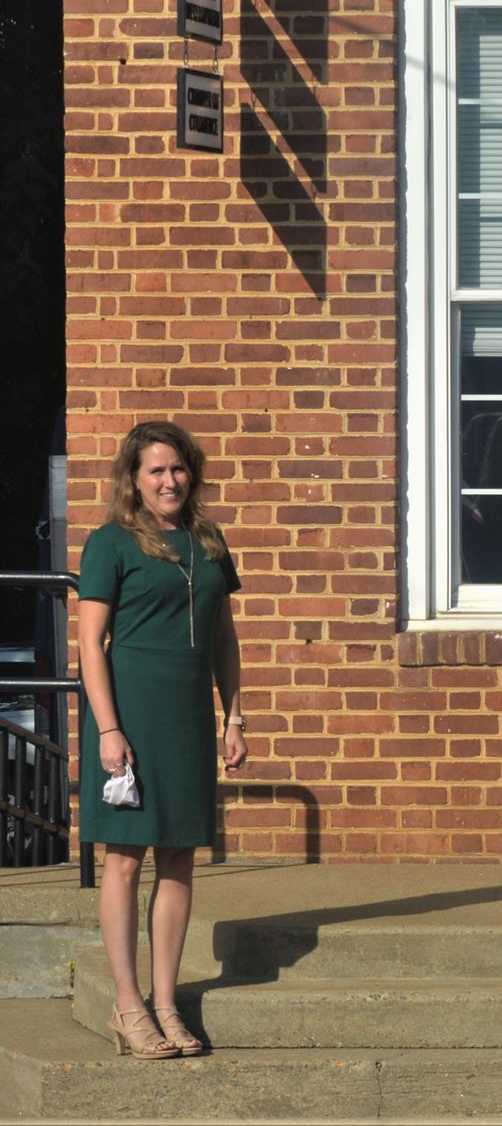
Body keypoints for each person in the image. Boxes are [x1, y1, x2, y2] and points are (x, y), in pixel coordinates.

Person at [76, 421, 249, 1059]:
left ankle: (167, 1005)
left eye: (177, 468)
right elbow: (90, 645)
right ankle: (129, 1008)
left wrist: (234, 716)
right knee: (124, 859)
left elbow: (225, 638)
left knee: (178, 855)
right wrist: (110, 729)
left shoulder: (209, 540)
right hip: (127, 714)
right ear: (134, 478)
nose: (169, 480)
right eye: (155, 471)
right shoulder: (110, 543)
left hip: (186, 716)